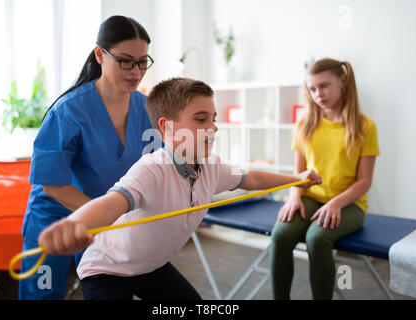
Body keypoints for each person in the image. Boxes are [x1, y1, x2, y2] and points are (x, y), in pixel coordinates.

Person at [37, 77, 322, 300]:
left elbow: (252, 179)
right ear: (168, 127)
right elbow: (112, 204)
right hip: (107, 269)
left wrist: (298, 179)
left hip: (151, 266)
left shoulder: (212, 167)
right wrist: (74, 225)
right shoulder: (152, 169)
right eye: (201, 119)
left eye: (214, 118)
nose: (213, 127)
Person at [19, 15, 157, 300]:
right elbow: (53, 185)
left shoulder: (147, 109)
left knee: (106, 290)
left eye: (143, 61)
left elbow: (155, 166)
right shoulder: (68, 110)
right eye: (125, 61)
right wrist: (108, 216)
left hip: (106, 218)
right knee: (43, 295)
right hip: (54, 217)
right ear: (100, 55)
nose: (136, 71)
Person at [269, 58, 380, 300]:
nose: (318, 93)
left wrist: (336, 204)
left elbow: (364, 181)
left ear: (343, 81)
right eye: (312, 88)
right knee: (280, 235)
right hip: (310, 197)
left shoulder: (365, 127)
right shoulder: (305, 124)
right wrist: (294, 196)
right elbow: (298, 173)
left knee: (317, 239)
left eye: (324, 86)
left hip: (349, 204)